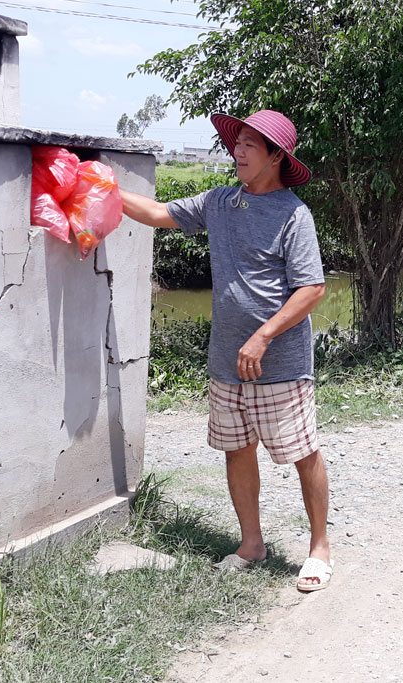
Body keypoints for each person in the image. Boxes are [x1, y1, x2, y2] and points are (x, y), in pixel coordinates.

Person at [119, 110, 333, 592]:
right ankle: (251, 544)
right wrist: (99, 185)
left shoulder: (293, 214)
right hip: (226, 362)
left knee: (302, 453)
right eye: (236, 142)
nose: (237, 151)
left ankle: (319, 547)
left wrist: (262, 336)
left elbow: (311, 289)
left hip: (281, 364)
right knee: (237, 450)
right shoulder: (220, 202)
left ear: (277, 157)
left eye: (251, 145)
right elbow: (158, 214)